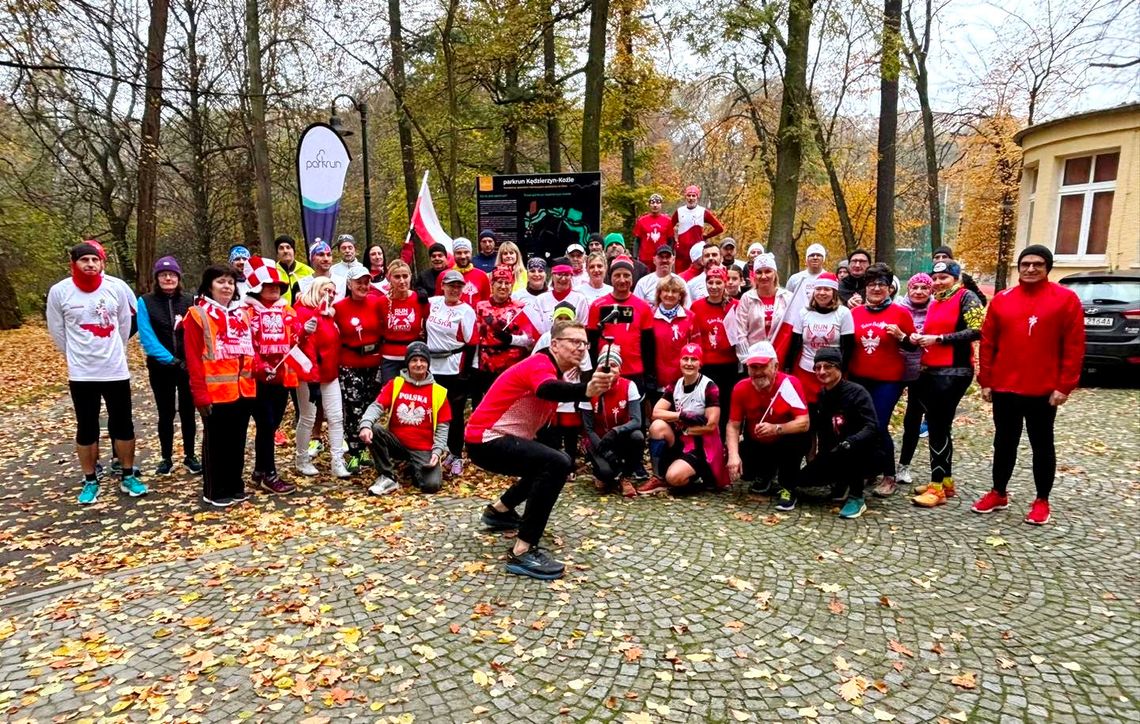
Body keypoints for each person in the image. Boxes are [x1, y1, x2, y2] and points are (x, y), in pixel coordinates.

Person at [468, 319, 616, 580]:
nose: (581, 348)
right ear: (555, 344)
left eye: (584, 343)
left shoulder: (555, 369)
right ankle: (523, 550)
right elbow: (547, 390)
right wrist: (586, 389)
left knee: (554, 461)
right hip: (486, 439)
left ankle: (499, 511)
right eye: (574, 342)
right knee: (556, 462)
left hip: (494, 438)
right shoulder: (540, 364)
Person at [973, 245, 1083, 525]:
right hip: (1005, 386)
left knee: (1042, 444)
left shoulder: (1065, 299)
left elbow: (1073, 346)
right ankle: (999, 492)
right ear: (1018, 267)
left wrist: (1064, 385)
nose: (1031, 269)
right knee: (1004, 442)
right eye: (1025, 264)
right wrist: (986, 379)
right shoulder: (1002, 299)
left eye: (1037, 264)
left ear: (1048, 268)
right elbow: (988, 343)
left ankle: (1042, 499)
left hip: (1043, 389)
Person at [48, 240, 145, 504]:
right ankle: (90, 479)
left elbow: (125, 325)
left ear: (102, 263)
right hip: (82, 373)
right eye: (84, 260)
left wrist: (113, 350)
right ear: (74, 264)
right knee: (87, 427)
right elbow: (57, 330)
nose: (90, 265)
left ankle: (128, 474)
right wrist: (77, 356)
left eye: (95, 260)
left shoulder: (115, 288)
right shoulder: (60, 291)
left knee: (123, 424)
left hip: (115, 369)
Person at [910, 260, 984, 507]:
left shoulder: (966, 297)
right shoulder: (937, 301)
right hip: (933, 370)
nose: (939, 282)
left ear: (955, 278)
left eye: (944, 278)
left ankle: (937, 488)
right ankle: (945, 481)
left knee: (938, 427)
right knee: (940, 426)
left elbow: (977, 330)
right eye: (936, 278)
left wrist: (938, 339)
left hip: (954, 371)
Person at [184, 265, 256, 507]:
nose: (226, 286)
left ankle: (235, 484)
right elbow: (193, 358)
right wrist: (199, 394)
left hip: (242, 389)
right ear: (209, 286)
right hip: (214, 391)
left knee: (237, 441)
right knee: (216, 443)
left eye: (230, 282)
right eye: (221, 282)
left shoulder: (242, 314)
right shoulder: (197, 314)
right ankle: (214, 490)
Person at [848, 263, 917, 498]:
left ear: (890, 288)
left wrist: (902, 336)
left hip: (888, 379)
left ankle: (889, 475)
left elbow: (913, 346)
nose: (876, 288)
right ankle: (869, 469)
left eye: (882, 284)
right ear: (865, 288)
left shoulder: (900, 313)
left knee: (877, 425)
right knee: (859, 425)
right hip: (859, 377)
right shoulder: (855, 313)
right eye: (872, 284)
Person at [358, 341, 451, 495]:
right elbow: (376, 406)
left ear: (428, 363)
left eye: (423, 360)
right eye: (414, 360)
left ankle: (412, 468)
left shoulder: (439, 392)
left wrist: (437, 452)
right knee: (374, 429)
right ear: (407, 363)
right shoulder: (396, 384)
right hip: (396, 442)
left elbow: (443, 427)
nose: (418, 364)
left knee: (431, 486)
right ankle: (387, 476)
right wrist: (366, 425)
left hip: (423, 447)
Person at [137, 255, 200, 475]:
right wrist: (170, 360)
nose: (168, 278)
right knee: (165, 413)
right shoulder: (145, 302)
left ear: (178, 277)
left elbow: (197, 332)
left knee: (188, 412)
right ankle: (166, 457)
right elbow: (147, 336)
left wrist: (189, 360)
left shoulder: (190, 300)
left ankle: (190, 455)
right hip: (161, 367)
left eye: (172, 274)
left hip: (187, 366)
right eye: (163, 275)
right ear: (157, 278)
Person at [241, 257, 299, 495]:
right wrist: (260, 365)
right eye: (269, 285)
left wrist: (304, 331)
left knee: (272, 425)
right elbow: (245, 343)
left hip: (282, 377)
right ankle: (269, 474)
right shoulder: (247, 313)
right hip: (257, 378)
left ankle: (259, 470)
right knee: (265, 425)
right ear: (258, 287)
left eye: (278, 286)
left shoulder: (287, 310)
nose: (275, 288)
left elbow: (294, 339)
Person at [799, 347, 879, 519]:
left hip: (862, 452)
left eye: (828, 366)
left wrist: (852, 441)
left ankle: (857, 497)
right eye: (817, 367)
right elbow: (822, 428)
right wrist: (816, 454)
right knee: (800, 481)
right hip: (835, 453)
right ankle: (841, 482)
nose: (822, 371)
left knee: (850, 448)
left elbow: (872, 426)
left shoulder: (858, 392)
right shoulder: (822, 395)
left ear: (839, 368)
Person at [637, 343, 728, 494]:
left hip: (701, 445)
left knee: (674, 477)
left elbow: (711, 425)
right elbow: (656, 412)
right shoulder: (676, 384)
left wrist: (687, 429)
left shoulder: (709, 387)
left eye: (694, 359)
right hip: (681, 439)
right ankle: (658, 477)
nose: (689, 363)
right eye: (685, 359)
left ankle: (695, 475)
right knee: (657, 426)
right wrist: (680, 415)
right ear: (680, 362)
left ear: (700, 363)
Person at [726, 341, 810, 502]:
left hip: (785, 439)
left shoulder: (789, 384)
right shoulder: (740, 388)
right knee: (744, 470)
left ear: (775, 366)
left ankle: (788, 486)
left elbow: (804, 422)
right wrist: (733, 456)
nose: (758, 372)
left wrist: (776, 428)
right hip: (757, 441)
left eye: (763, 367)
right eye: (753, 367)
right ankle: (765, 474)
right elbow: (733, 425)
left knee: (798, 440)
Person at [292, 276, 350, 479]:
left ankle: (337, 460)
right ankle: (301, 459)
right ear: (316, 289)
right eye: (326, 290)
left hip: (330, 374)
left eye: (333, 292)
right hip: (309, 375)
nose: (330, 295)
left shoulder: (328, 315)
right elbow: (305, 349)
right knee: (307, 417)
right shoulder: (304, 312)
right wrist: (313, 380)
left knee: (335, 417)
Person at [334, 267, 389, 473]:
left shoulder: (377, 302)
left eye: (366, 282)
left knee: (369, 407)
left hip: (374, 363)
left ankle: (369, 450)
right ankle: (355, 453)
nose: (363, 286)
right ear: (349, 284)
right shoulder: (339, 307)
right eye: (359, 282)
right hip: (350, 364)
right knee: (353, 407)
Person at [426, 270, 478, 477]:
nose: (454, 290)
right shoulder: (433, 303)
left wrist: (466, 373)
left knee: (454, 414)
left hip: (454, 366)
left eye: (458, 286)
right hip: (431, 366)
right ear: (443, 286)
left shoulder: (466, 310)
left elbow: (472, 342)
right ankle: (436, 450)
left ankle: (457, 454)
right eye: (451, 285)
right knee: (433, 411)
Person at [580, 346, 644, 496]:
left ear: (620, 370)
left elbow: (637, 421)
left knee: (637, 436)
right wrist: (605, 451)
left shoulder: (629, 386)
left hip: (618, 438)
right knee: (606, 475)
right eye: (605, 367)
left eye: (614, 366)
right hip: (597, 441)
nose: (609, 370)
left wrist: (616, 431)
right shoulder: (589, 389)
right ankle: (602, 472)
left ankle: (625, 476)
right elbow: (588, 429)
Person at [471, 266, 539, 408]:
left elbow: (531, 339)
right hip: (486, 366)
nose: (503, 286)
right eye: (499, 282)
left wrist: (511, 339)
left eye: (507, 283)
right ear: (492, 284)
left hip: (512, 366)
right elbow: (474, 336)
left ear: (512, 284)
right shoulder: (480, 307)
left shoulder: (520, 308)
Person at [587, 255, 656, 391]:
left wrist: (649, 376)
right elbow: (592, 342)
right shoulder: (597, 306)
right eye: (617, 275)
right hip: (605, 370)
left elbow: (648, 346)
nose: (622, 280)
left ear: (632, 277)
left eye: (626, 275)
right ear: (610, 277)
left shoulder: (643, 307)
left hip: (634, 371)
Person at [784, 272, 853, 404]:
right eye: (818, 289)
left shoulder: (843, 313)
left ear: (834, 292)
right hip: (806, 370)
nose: (822, 293)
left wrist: (841, 372)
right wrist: (788, 368)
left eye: (827, 289)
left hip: (831, 373)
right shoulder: (804, 312)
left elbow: (848, 347)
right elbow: (795, 343)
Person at [687, 266, 739, 437]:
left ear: (725, 284)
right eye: (711, 282)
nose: (714, 286)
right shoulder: (697, 306)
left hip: (728, 365)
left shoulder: (734, 306)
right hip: (706, 366)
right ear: (706, 284)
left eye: (718, 282)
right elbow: (693, 336)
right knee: (706, 405)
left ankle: (725, 441)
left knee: (725, 404)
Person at [893, 273, 932, 490]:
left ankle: (904, 465)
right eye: (915, 287)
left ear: (930, 291)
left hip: (921, 371)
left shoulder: (935, 310)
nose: (918, 291)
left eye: (923, 288)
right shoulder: (899, 307)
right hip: (896, 368)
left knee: (913, 420)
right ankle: (880, 464)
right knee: (883, 417)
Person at [736, 253, 793, 364]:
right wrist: (746, 358)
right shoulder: (747, 298)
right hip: (754, 358)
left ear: (775, 274)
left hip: (780, 356)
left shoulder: (787, 297)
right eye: (759, 272)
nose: (763, 276)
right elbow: (740, 332)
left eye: (768, 271)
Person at [648, 276, 695, 407]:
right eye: (666, 291)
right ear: (659, 294)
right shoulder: (650, 316)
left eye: (674, 292)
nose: (669, 295)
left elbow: (696, 348)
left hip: (683, 380)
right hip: (657, 380)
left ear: (681, 296)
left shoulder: (690, 317)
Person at [380, 260, 427, 384]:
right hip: (389, 358)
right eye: (397, 277)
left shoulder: (420, 299)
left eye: (405, 276)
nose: (402, 281)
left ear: (410, 277)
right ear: (389, 278)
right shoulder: (381, 302)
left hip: (414, 357)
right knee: (390, 398)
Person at [671, 185, 724, 273]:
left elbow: (719, 228)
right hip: (682, 252)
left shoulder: (702, 211)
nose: (691, 198)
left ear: (697, 197)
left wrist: (706, 236)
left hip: (698, 252)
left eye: (693, 195)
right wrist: (674, 241)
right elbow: (669, 227)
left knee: (697, 275)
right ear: (685, 197)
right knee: (681, 277)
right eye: (689, 195)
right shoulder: (679, 211)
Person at [535, 258, 590, 331]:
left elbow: (583, 328)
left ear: (571, 276)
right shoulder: (540, 300)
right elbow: (536, 329)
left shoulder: (580, 299)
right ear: (552, 275)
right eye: (559, 274)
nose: (563, 278)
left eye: (567, 275)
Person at [435, 238, 490, 306]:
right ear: (454, 254)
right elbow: (438, 302)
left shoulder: (482, 276)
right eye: (459, 253)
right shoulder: (443, 275)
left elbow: (486, 303)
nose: (463, 256)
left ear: (471, 253)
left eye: (466, 252)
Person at [633, 193, 675, 266]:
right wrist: (635, 256)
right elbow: (637, 240)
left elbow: (671, 241)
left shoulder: (668, 221)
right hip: (645, 259)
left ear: (661, 205)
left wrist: (670, 254)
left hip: (662, 258)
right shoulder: (641, 220)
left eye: (658, 203)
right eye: (652, 203)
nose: (655, 205)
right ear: (649, 205)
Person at [274, 235, 313, 305]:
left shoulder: (307, 271)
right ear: (277, 253)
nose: (285, 251)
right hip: (280, 313)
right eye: (281, 248)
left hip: (303, 312)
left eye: (288, 247)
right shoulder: (272, 271)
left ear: (294, 251)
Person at [512, 256, 549, 321]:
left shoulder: (553, 294)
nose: (537, 274)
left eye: (540, 271)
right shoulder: (516, 296)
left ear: (545, 274)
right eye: (532, 271)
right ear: (527, 274)